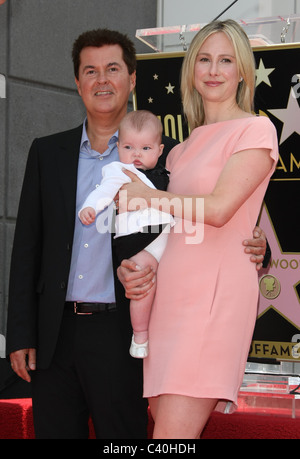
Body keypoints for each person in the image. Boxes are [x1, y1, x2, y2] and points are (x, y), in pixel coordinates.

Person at [5, 27, 268, 440]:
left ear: (133, 79)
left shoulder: (164, 157)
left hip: (131, 329)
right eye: (90, 71)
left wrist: (259, 245)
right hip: (71, 330)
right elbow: (27, 248)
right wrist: (20, 332)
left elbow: (216, 210)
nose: (102, 79)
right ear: (76, 82)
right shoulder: (52, 152)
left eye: (113, 68)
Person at [118, 19, 278, 439]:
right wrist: (140, 263)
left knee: (170, 438)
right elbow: (172, 228)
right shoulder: (180, 149)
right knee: (164, 425)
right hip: (169, 298)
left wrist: (148, 197)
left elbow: (221, 209)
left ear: (243, 70)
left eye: (226, 60)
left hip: (215, 298)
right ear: (191, 69)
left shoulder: (256, 130)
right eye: (204, 59)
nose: (213, 69)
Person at [79, 110, 175, 358]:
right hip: (138, 240)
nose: (136, 154)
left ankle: (167, 335)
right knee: (143, 283)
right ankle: (140, 334)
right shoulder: (117, 171)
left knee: (171, 288)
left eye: (145, 148)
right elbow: (104, 191)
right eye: (129, 147)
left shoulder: (168, 174)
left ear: (159, 149)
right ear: (118, 147)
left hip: (167, 239)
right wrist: (90, 206)